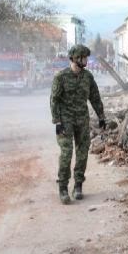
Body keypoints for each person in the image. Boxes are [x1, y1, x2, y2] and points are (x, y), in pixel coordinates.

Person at [50, 44, 105, 204]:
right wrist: (57, 121)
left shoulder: (88, 77)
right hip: (65, 121)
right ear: (76, 58)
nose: (86, 60)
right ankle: (63, 188)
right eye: (84, 57)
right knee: (66, 153)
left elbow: (95, 97)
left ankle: (78, 185)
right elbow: (54, 100)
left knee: (82, 153)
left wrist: (101, 116)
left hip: (82, 120)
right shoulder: (61, 77)